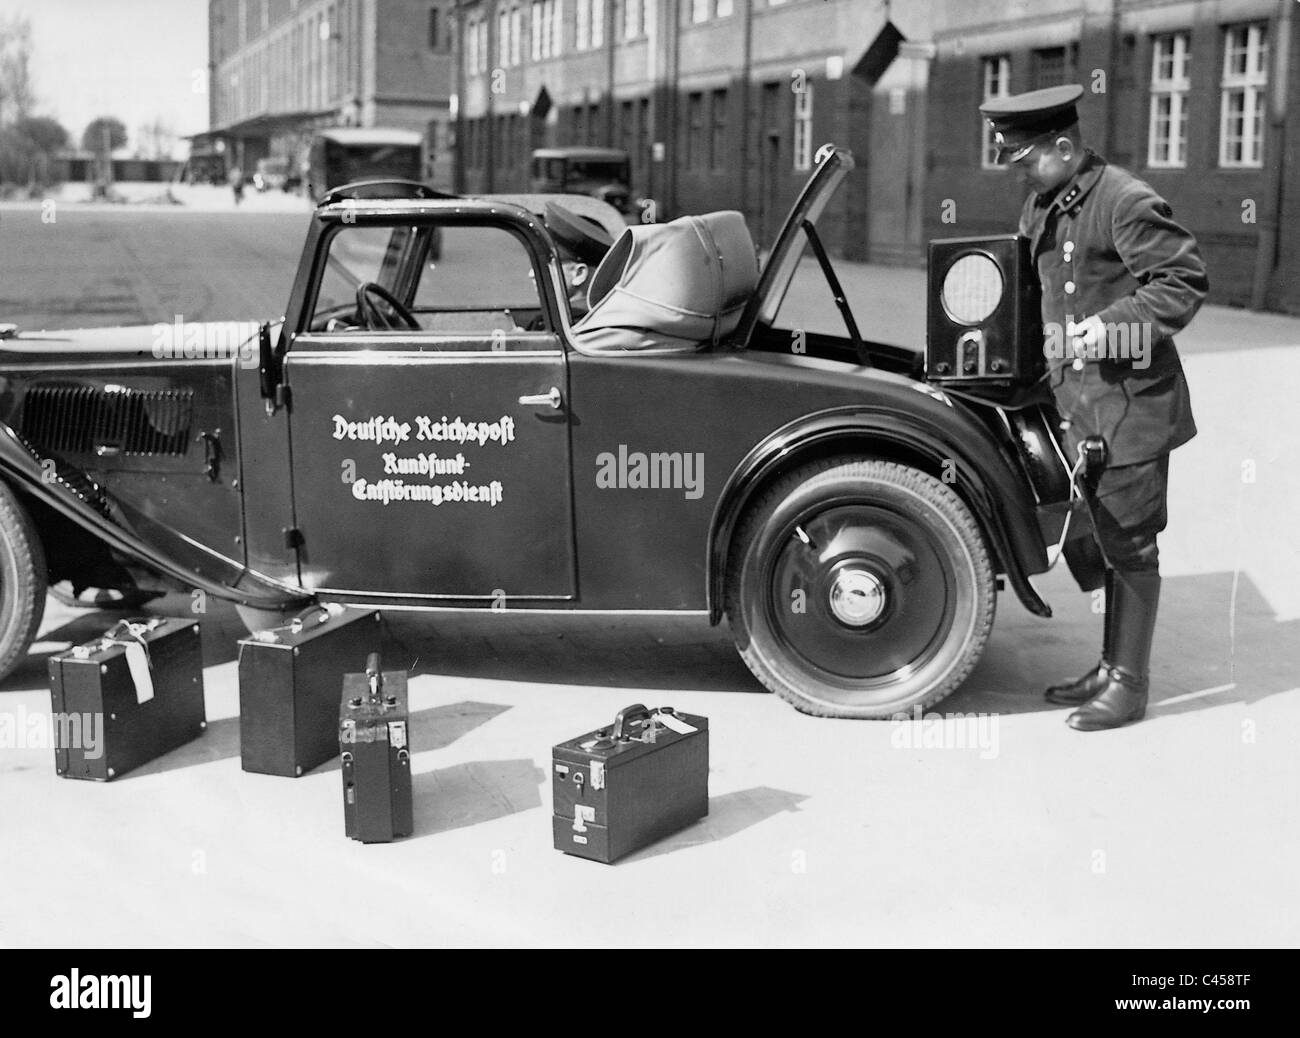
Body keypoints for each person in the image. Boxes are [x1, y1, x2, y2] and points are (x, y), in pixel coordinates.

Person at [979, 84, 1208, 731]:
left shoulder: (1125, 201)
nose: (1017, 172)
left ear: (1061, 145)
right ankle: (1107, 667)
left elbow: (1184, 283)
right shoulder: (1045, 202)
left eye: (1023, 159)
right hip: (1074, 405)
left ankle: (1129, 685)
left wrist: (1111, 327)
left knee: (1131, 545)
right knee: (1090, 537)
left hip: (1130, 408)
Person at [542, 201, 613, 318]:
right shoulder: (563, 317)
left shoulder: (575, 322)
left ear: (579, 274)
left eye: (548, 264)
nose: (532, 274)